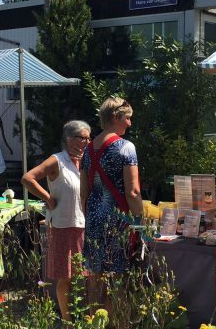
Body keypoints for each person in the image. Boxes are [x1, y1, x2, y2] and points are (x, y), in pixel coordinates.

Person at [21, 120, 90, 322]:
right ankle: (67, 319)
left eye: (89, 138)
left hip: (84, 224)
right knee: (65, 275)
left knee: (85, 274)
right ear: (69, 139)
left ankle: (85, 316)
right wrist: (48, 198)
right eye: (82, 138)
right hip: (63, 225)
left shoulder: (86, 161)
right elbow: (28, 178)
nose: (87, 142)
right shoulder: (57, 160)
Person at [80, 97, 143, 307]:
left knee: (95, 277)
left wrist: (89, 217)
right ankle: (117, 320)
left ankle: (94, 318)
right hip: (118, 220)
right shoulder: (126, 147)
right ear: (116, 117)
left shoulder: (88, 150)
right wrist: (140, 223)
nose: (129, 123)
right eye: (127, 118)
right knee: (118, 280)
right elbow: (133, 192)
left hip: (93, 217)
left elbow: (83, 193)